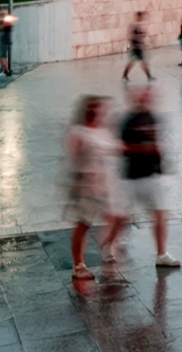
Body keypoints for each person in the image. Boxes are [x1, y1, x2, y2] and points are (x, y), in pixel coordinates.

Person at [66, 96, 127, 281]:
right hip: (87, 188)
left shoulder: (103, 131)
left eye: (101, 109)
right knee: (84, 225)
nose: (99, 112)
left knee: (121, 216)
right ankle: (79, 265)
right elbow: (74, 158)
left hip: (106, 185)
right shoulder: (78, 132)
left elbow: (116, 149)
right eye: (95, 109)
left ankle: (107, 244)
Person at [120, 87, 181, 268]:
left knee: (160, 214)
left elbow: (161, 143)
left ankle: (162, 253)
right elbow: (122, 147)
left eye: (150, 98)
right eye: (144, 98)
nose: (148, 101)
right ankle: (110, 244)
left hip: (153, 176)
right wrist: (145, 149)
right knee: (121, 217)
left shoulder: (155, 118)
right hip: (133, 177)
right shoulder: (129, 121)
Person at [122, 11, 153, 81]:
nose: (142, 18)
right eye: (141, 16)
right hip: (137, 47)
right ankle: (149, 76)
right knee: (142, 62)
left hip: (138, 46)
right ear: (138, 17)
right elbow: (133, 36)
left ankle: (125, 74)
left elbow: (140, 35)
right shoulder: (135, 25)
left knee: (134, 62)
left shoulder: (137, 25)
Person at [0, 8, 14, 77]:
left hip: (3, 41)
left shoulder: (5, 22)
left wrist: (0, 21)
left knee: (1, 57)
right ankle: (5, 68)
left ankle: (7, 71)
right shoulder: (7, 22)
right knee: (3, 57)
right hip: (5, 41)